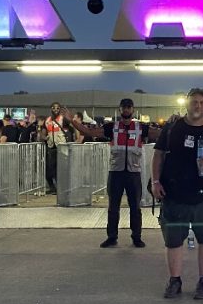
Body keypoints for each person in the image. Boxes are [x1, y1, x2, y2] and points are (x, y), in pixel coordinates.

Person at [152, 88, 203, 300]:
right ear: (187, 104)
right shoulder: (172, 127)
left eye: (202, 102)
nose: (198, 106)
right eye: (194, 102)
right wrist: (155, 181)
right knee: (174, 241)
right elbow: (158, 154)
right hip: (174, 195)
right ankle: (174, 281)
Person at [65, 99, 152, 249]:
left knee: (135, 208)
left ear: (133, 109)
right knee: (113, 207)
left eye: (128, 107)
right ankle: (112, 237)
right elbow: (89, 132)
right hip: (116, 172)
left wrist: (178, 124)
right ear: (120, 110)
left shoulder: (140, 127)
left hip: (133, 173)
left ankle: (136, 237)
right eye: (123, 107)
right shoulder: (112, 127)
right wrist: (72, 121)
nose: (126, 110)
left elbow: (161, 133)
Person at [43, 102, 73, 194]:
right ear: (51, 109)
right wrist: (44, 136)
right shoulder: (47, 120)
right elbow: (44, 132)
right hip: (51, 147)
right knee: (49, 169)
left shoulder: (63, 119)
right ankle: (52, 187)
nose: (55, 109)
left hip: (61, 146)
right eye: (53, 108)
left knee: (60, 169)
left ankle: (61, 188)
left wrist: (76, 140)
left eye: (57, 108)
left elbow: (73, 127)